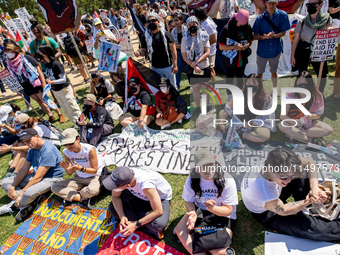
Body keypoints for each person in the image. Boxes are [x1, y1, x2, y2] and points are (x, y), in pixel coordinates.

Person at [240, 147, 340, 241]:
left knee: (303, 171)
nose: (289, 180)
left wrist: (314, 187)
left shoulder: (276, 161)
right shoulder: (262, 191)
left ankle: (313, 197)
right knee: (313, 229)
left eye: (292, 177)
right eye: (285, 177)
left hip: (273, 192)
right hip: (266, 211)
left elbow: (310, 162)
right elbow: (284, 210)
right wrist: (307, 201)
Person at [175, 149, 238, 255]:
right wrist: (192, 212)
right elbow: (188, 201)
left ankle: (198, 244)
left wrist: (213, 208)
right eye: (202, 166)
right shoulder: (193, 178)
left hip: (223, 216)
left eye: (210, 164)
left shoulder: (226, 179)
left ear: (214, 161)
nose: (207, 170)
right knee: (179, 230)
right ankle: (200, 248)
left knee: (219, 252)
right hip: (202, 212)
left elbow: (228, 210)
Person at [0, 128, 64, 221]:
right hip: (35, 176)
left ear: (37, 136)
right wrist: (13, 187)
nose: (28, 143)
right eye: (25, 142)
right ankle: (25, 203)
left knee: (28, 193)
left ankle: (13, 206)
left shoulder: (48, 151)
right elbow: (24, 169)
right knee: (5, 182)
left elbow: (38, 177)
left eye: (29, 140)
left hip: (51, 178)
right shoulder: (32, 149)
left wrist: (21, 193)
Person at [4, 39, 64, 123]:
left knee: (45, 99)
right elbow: (15, 77)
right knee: (39, 101)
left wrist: (43, 83)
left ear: (14, 50)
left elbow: (38, 69)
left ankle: (59, 113)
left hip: (35, 83)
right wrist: (19, 90)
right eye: (6, 51)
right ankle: (50, 115)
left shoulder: (26, 58)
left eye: (9, 51)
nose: (8, 53)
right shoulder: (10, 63)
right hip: (25, 85)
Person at [103, 166, 172, 239]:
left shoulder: (146, 185)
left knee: (158, 225)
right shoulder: (124, 175)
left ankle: (137, 216)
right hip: (141, 195)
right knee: (113, 208)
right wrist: (122, 216)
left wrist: (136, 224)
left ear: (127, 185)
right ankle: (143, 217)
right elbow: (115, 197)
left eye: (115, 186)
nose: (113, 188)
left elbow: (158, 211)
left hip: (160, 197)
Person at [52, 128, 102, 209]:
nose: (68, 146)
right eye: (66, 144)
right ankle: (82, 198)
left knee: (93, 190)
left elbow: (94, 170)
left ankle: (71, 196)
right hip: (80, 178)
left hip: (94, 176)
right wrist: (69, 169)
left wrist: (80, 168)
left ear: (78, 139)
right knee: (54, 187)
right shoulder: (66, 152)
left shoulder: (89, 149)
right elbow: (69, 173)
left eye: (71, 143)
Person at [279, 71, 333, 145]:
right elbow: (282, 116)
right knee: (282, 125)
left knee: (328, 129)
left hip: (309, 123)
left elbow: (318, 115)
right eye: (300, 82)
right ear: (296, 83)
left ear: (310, 83)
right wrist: (294, 122)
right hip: (293, 123)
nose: (302, 84)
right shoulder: (291, 95)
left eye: (305, 82)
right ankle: (311, 140)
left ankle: (297, 136)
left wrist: (310, 116)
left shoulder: (317, 96)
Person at [219, 74, 276, 143]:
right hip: (241, 119)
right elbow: (228, 108)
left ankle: (240, 134)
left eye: (254, 83)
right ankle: (236, 130)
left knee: (264, 136)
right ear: (245, 83)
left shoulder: (266, 98)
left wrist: (251, 124)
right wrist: (221, 121)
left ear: (259, 85)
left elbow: (267, 118)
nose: (250, 85)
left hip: (257, 123)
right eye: (248, 83)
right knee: (222, 113)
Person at [291, 0, 332, 95]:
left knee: (321, 75)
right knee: (302, 74)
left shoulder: (327, 19)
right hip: (303, 49)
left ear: (320, 5)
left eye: (313, 5)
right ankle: (302, 95)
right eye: (308, 5)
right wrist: (292, 56)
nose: (310, 7)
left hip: (319, 49)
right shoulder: (303, 21)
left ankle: (319, 95)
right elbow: (296, 40)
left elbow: (329, 33)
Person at [38, 44, 82, 125]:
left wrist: (52, 82)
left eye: (40, 53)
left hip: (64, 90)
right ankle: (76, 124)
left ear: (45, 53)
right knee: (65, 110)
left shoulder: (56, 64)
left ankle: (82, 124)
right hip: (56, 91)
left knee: (72, 108)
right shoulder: (47, 64)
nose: (39, 55)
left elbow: (63, 79)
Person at [252, 0, 290, 89]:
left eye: (273, 3)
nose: (271, 5)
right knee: (260, 73)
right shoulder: (260, 18)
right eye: (269, 3)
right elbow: (255, 36)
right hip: (262, 50)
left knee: (274, 71)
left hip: (275, 49)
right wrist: (264, 37)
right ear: (266, 3)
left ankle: (274, 90)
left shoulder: (283, 15)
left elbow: (283, 33)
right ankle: (259, 90)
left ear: (277, 3)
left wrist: (274, 36)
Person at [135, 12, 178, 90]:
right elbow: (143, 51)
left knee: (173, 88)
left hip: (168, 67)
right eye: (149, 21)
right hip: (156, 68)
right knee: (163, 89)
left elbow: (173, 50)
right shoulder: (145, 36)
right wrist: (139, 53)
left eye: (153, 20)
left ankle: (177, 102)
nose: (151, 23)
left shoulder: (166, 34)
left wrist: (175, 65)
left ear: (158, 21)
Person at [219, 9, 253, 94]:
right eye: (239, 23)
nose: (240, 25)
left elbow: (250, 41)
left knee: (240, 79)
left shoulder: (247, 27)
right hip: (229, 59)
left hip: (242, 59)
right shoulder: (226, 29)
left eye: (242, 24)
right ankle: (230, 99)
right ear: (236, 19)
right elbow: (221, 47)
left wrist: (246, 46)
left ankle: (239, 98)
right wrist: (234, 47)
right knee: (229, 80)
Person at [181, 16, 210, 112]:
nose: (192, 26)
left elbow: (207, 52)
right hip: (192, 68)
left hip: (204, 66)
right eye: (189, 25)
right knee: (196, 89)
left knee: (205, 89)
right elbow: (184, 56)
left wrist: (196, 62)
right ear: (187, 26)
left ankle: (206, 107)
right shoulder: (184, 39)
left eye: (194, 24)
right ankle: (198, 107)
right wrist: (193, 65)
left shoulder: (204, 36)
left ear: (198, 24)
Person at [195, 7, 218, 85]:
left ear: (198, 16)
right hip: (204, 51)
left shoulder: (208, 24)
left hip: (210, 52)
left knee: (210, 70)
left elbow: (214, 39)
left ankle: (214, 87)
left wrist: (204, 46)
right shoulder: (203, 22)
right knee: (203, 69)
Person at [171, 14, 186, 89]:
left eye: (177, 20)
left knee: (189, 69)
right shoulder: (173, 31)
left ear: (181, 21)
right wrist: (179, 46)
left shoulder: (186, 30)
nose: (176, 22)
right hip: (178, 53)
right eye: (175, 20)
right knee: (178, 68)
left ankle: (193, 83)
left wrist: (179, 45)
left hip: (187, 52)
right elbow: (172, 44)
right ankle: (177, 85)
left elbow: (188, 42)